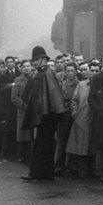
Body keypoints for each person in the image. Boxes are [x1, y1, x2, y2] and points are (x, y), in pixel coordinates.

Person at [21, 46, 68, 182]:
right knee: (44, 144)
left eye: (36, 60)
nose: (34, 62)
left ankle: (38, 173)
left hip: (47, 116)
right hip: (46, 115)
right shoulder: (42, 73)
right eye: (33, 60)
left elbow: (53, 96)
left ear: (42, 60)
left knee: (42, 144)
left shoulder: (46, 73)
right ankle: (44, 173)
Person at [66, 61, 98, 178]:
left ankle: (93, 171)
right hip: (81, 118)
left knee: (92, 146)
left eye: (96, 71)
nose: (93, 73)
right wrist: (75, 113)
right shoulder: (81, 84)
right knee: (81, 146)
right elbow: (74, 100)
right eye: (92, 70)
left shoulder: (100, 84)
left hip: (94, 118)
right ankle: (82, 171)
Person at [11, 60, 32, 163]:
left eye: (28, 66)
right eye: (24, 66)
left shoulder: (35, 78)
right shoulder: (18, 80)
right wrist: (23, 105)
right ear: (22, 68)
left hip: (34, 110)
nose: (26, 68)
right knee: (22, 133)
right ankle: (21, 155)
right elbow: (14, 97)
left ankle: (30, 155)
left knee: (32, 134)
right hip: (22, 111)